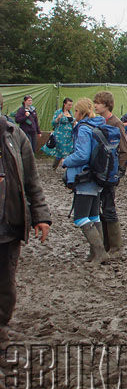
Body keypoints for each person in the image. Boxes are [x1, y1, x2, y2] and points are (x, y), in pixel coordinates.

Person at [0, 110, 51, 349]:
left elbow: (32, 180)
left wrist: (40, 215)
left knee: (5, 283)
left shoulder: (15, 135)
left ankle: (1, 328)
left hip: (8, 225)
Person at [62, 98, 108, 265]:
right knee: (94, 215)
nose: (74, 114)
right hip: (98, 177)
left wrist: (66, 161)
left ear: (80, 112)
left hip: (85, 177)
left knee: (80, 217)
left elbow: (82, 155)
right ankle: (95, 253)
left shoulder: (83, 128)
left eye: (75, 111)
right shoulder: (98, 124)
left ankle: (100, 252)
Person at [93, 91, 127, 260]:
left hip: (110, 174)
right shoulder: (98, 122)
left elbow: (125, 151)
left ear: (107, 104)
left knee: (109, 208)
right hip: (98, 173)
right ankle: (105, 244)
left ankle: (116, 247)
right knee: (99, 209)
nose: (95, 105)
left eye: (98, 102)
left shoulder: (116, 123)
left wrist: (118, 172)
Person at [43, 97, 75, 169]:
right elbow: (53, 123)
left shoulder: (70, 113)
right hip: (60, 135)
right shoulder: (58, 112)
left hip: (69, 136)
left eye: (71, 105)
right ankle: (61, 167)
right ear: (64, 104)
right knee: (61, 151)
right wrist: (58, 118)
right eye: (69, 105)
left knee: (67, 151)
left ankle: (59, 167)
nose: (70, 106)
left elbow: (72, 122)